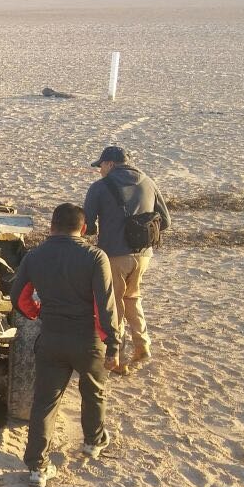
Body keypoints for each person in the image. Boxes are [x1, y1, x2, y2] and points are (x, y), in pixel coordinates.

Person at [10, 203, 120, 487]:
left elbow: (19, 298)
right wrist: (113, 343)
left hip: (52, 338)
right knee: (93, 390)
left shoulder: (34, 257)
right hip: (88, 341)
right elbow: (105, 305)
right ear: (83, 229)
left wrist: (38, 314)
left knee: (45, 402)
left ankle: (37, 466)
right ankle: (93, 442)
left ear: (51, 226)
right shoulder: (95, 256)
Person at [83, 145, 171, 370]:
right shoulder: (149, 182)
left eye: (101, 165)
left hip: (114, 255)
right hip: (143, 254)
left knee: (114, 304)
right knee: (132, 297)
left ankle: (119, 358)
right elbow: (166, 222)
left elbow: (88, 226)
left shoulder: (100, 187)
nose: (99, 170)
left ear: (110, 164)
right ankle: (142, 345)